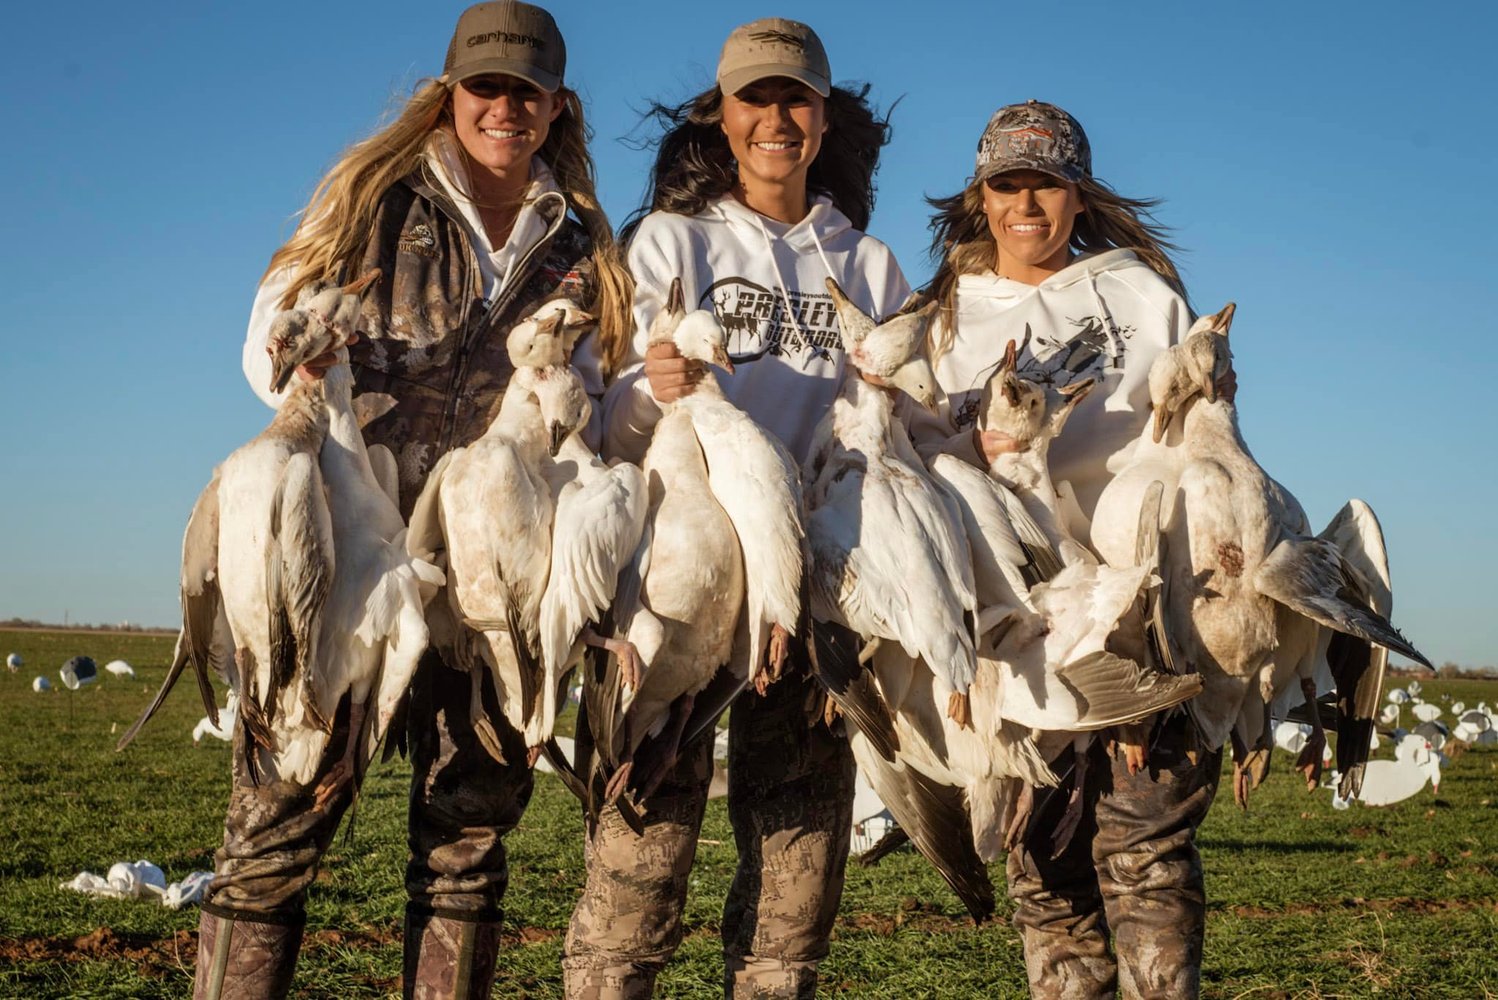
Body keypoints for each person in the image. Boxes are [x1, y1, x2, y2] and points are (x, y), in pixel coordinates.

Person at [207, 4, 632, 998]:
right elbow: (270, 329)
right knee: (278, 822)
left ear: (555, 104)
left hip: (495, 577)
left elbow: (601, 404)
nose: (504, 106)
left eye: (525, 90)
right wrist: (298, 358)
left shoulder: (581, 247)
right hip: (348, 556)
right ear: (451, 95)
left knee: (467, 837)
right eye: (485, 86)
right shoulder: (373, 200)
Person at [564, 18, 909, 1000]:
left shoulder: (871, 267)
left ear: (822, 115)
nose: (775, 118)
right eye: (753, 98)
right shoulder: (669, 242)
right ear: (720, 115)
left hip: (808, 591)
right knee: (639, 863)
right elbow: (606, 429)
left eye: (794, 98)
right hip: (679, 586)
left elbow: (898, 432)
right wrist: (651, 388)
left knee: (794, 884)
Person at [911, 100, 1224, 999]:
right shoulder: (944, 315)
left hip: (1139, 613)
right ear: (981, 196)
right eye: (1006, 184)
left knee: (1146, 853)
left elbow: (1195, 444)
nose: (1026, 204)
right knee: (1044, 872)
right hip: (1015, 625)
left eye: (1045, 183)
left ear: (1077, 195)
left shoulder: (1143, 296)